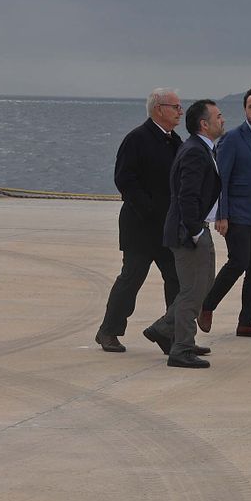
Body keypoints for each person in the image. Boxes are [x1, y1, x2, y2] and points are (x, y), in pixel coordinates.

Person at [93, 89, 184, 353]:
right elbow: (124, 179)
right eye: (176, 107)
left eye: (181, 107)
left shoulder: (175, 141)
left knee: (177, 280)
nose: (180, 111)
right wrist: (149, 209)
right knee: (132, 278)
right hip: (141, 225)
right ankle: (108, 331)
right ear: (159, 109)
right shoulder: (137, 139)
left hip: (167, 225)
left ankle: (172, 334)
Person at [144, 99, 224, 368]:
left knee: (202, 287)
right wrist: (194, 233)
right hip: (188, 232)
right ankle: (182, 348)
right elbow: (187, 196)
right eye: (218, 116)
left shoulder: (203, 149)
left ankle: (165, 329)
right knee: (193, 291)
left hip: (197, 227)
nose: (222, 120)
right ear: (204, 124)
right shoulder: (194, 151)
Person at [200, 87, 251, 339]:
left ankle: (247, 322)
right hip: (237, 214)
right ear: (245, 110)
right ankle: (207, 305)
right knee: (238, 262)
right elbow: (221, 179)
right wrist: (221, 215)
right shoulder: (232, 139)